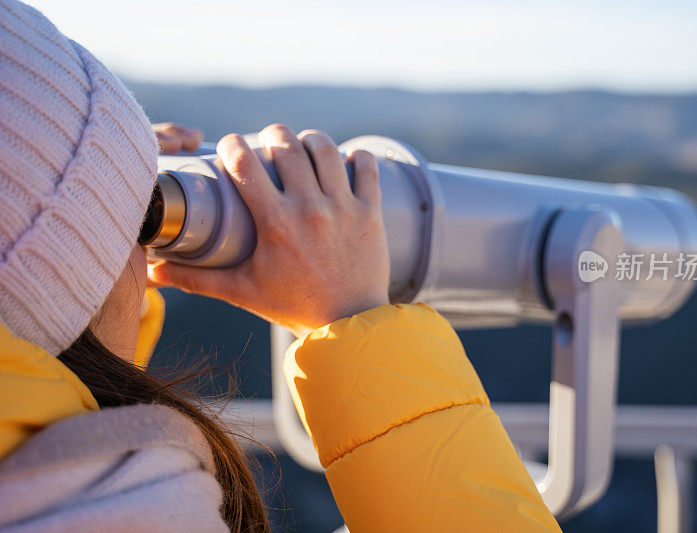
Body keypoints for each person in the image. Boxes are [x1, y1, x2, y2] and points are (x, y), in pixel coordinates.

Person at [0, 1, 561, 531]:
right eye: (133, 219)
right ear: (59, 274)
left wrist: (92, 205)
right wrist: (355, 321)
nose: (145, 244)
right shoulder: (114, 510)